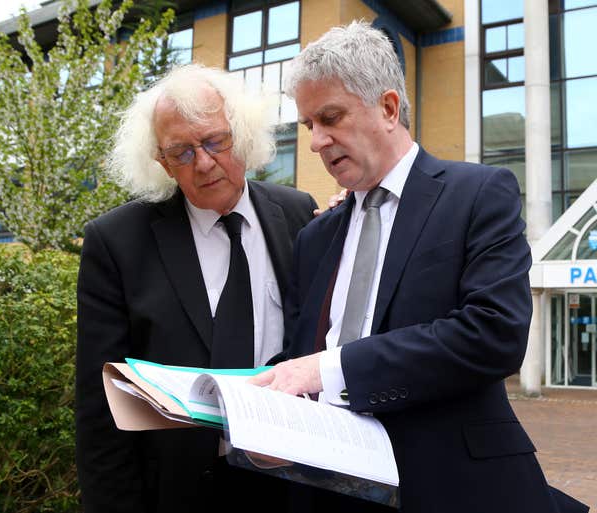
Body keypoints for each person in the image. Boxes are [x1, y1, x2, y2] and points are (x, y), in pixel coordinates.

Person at [249, 21, 589, 513]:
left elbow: (494, 335)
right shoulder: (315, 237)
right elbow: (301, 360)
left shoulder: (478, 194)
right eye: (309, 126)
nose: (317, 142)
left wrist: (329, 369)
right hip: (329, 487)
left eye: (331, 117)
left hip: (455, 486)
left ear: (388, 108)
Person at [75, 63, 317, 513]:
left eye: (214, 141)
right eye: (181, 152)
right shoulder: (117, 242)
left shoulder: (299, 213)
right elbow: (100, 406)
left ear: (241, 133)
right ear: (160, 161)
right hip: (177, 491)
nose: (203, 163)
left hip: (291, 482)